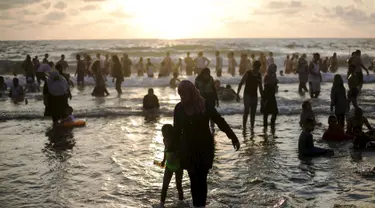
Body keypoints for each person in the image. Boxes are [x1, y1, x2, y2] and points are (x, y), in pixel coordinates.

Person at [174, 80, 240, 207]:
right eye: (180, 95)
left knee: (202, 179)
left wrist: (233, 137)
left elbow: (219, 121)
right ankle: (197, 205)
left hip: (205, 147)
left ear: (191, 93)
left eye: (184, 94)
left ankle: (201, 205)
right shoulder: (179, 108)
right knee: (193, 178)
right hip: (188, 148)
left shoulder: (204, 105)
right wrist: (173, 150)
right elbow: (176, 130)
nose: (182, 97)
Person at [157, 124, 184, 208]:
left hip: (178, 167)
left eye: (164, 132)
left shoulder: (177, 141)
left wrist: (177, 154)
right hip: (168, 166)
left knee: (178, 185)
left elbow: (181, 153)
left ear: (170, 134)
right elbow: (165, 150)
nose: (163, 134)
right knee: (165, 186)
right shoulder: (164, 140)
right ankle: (161, 204)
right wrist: (163, 160)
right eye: (162, 132)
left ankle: (181, 201)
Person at [237, 61, 263, 129]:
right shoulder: (248, 73)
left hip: (254, 95)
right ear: (253, 66)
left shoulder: (259, 75)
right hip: (247, 94)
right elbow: (241, 83)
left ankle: (252, 126)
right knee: (246, 110)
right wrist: (237, 94)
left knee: (253, 112)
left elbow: (260, 87)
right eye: (256, 67)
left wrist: (263, 97)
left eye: (258, 68)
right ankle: (244, 126)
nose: (257, 69)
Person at [261, 64, 278, 129]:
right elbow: (267, 85)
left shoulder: (274, 75)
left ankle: (272, 123)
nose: (275, 70)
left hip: (272, 94)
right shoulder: (267, 75)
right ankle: (265, 125)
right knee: (266, 112)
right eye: (274, 68)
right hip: (267, 94)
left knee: (275, 112)